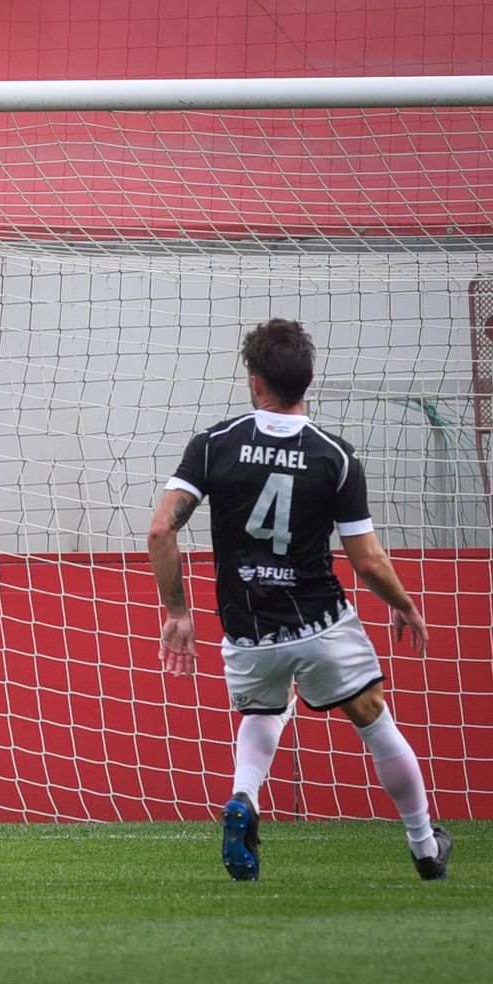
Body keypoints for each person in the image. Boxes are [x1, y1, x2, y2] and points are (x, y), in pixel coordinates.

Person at [148, 317, 450, 882]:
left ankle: (243, 798)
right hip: (320, 623)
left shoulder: (213, 445)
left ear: (255, 381)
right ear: (307, 381)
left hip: (247, 630)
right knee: (373, 718)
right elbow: (367, 561)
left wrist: (177, 613)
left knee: (261, 713)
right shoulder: (334, 456)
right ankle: (424, 845)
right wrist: (405, 603)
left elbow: (162, 531)